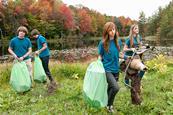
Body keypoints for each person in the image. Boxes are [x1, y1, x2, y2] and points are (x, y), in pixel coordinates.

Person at [98, 22, 120, 113]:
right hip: (107, 69)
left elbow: (117, 55)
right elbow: (100, 56)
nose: (112, 31)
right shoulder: (103, 43)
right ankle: (109, 105)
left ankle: (106, 102)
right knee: (116, 87)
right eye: (110, 30)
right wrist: (97, 64)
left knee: (110, 88)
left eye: (113, 29)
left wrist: (126, 57)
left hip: (116, 69)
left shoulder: (117, 42)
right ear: (106, 31)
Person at [123, 24, 145, 105]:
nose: (137, 29)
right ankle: (128, 81)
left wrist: (144, 48)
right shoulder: (129, 39)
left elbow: (140, 46)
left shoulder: (139, 37)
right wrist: (131, 49)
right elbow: (124, 49)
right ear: (132, 30)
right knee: (131, 71)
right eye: (135, 28)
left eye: (138, 28)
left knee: (143, 69)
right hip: (129, 57)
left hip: (136, 56)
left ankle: (138, 81)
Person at [30, 29, 57, 93]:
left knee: (46, 68)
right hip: (41, 56)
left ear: (35, 34)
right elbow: (40, 47)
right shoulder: (38, 38)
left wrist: (39, 51)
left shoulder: (41, 38)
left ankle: (52, 81)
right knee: (42, 68)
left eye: (33, 36)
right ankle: (45, 81)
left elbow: (45, 46)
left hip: (45, 55)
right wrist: (37, 52)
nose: (33, 37)